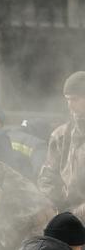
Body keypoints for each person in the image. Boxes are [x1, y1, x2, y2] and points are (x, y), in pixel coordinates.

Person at [38, 72, 85, 216]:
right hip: (66, 211)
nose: (70, 105)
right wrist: (52, 206)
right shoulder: (61, 135)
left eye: (75, 99)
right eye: (67, 100)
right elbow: (48, 177)